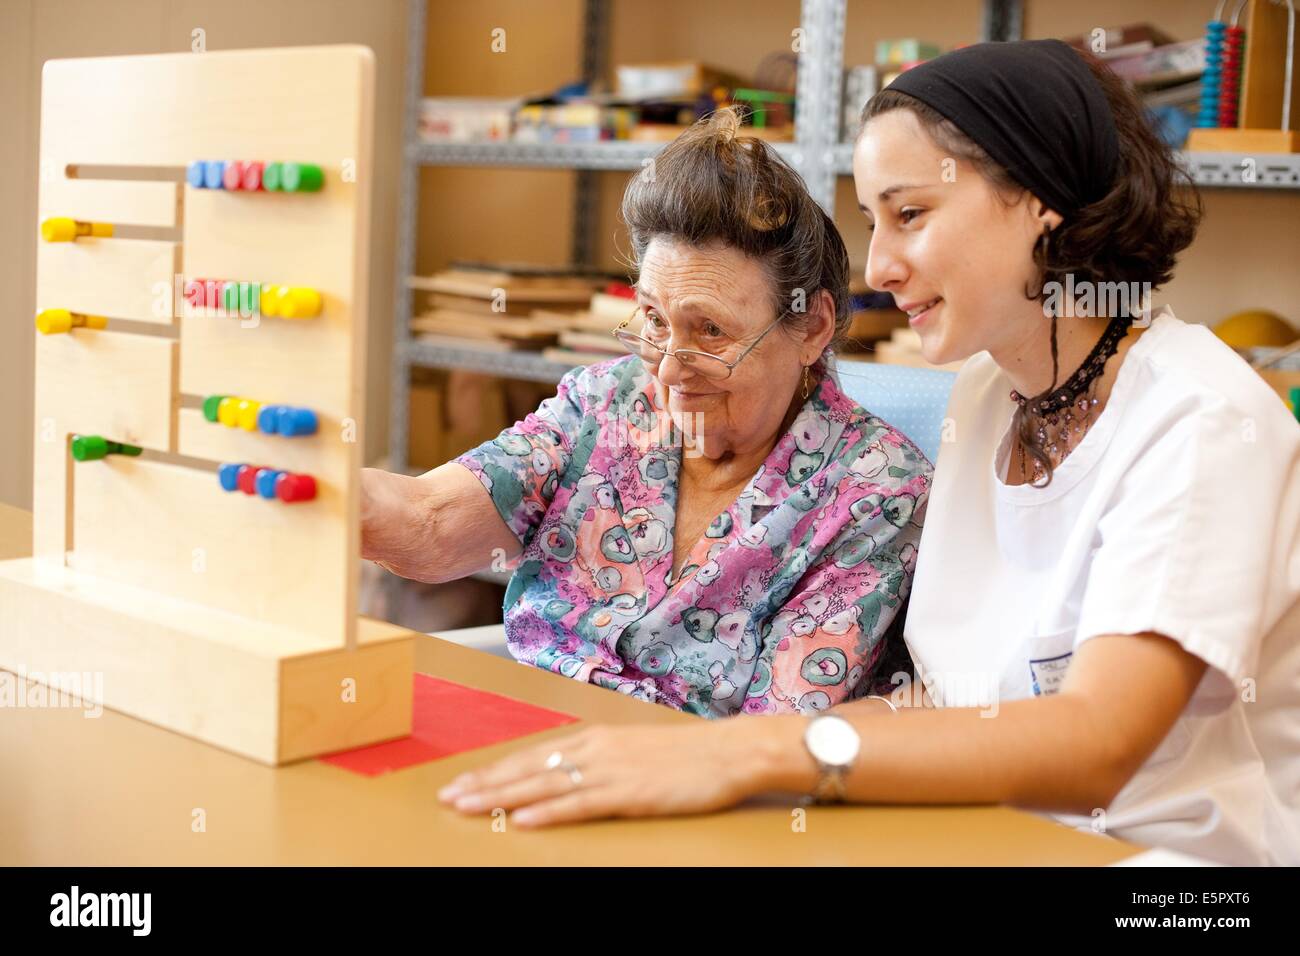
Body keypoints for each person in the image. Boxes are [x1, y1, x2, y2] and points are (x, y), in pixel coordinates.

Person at [437, 40, 1300, 867]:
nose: (878, 267)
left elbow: (1098, 743)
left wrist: (746, 752)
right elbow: (947, 702)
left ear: (1045, 203)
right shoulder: (988, 397)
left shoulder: (1199, 421)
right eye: (871, 222)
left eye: (911, 214)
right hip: (972, 838)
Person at [362, 108, 933, 717]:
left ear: (813, 327)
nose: (665, 368)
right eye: (655, 321)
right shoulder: (606, 402)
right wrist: (317, 484)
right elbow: (427, 524)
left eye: (709, 330)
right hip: (527, 732)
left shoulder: (875, 490)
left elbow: (774, 734)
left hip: (692, 785)